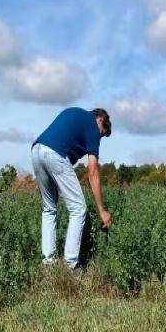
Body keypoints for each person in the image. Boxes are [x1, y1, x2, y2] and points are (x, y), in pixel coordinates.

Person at [31, 107, 112, 269]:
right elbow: (93, 171)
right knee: (78, 208)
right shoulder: (92, 124)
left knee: (49, 209)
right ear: (101, 120)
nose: (99, 139)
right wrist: (102, 210)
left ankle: (48, 265)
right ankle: (71, 265)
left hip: (37, 150)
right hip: (55, 154)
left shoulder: (76, 113)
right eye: (102, 134)